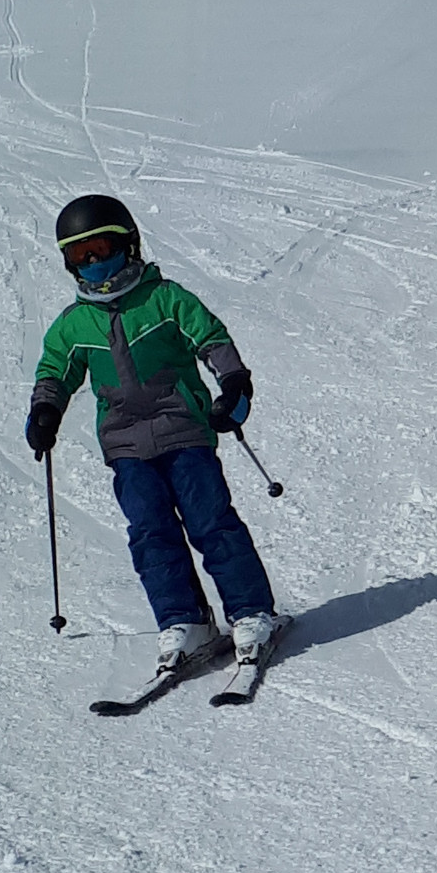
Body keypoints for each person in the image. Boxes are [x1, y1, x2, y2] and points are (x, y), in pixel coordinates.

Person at [24, 194, 290, 673]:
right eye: (80, 255)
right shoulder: (74, 324)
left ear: (128, 245)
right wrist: (45, 410)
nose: (94, 264)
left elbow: (212, 340)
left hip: (184, 431)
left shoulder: (165, 299)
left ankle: (251, 612)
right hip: (125, 445)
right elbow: (54, 371)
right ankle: (185, 620)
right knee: (151, 534)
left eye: (102, 248)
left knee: (211, 523)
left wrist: (233, 384)